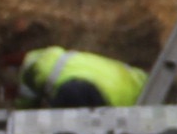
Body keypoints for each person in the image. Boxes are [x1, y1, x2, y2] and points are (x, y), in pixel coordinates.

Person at [14, 44, 148, 108]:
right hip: (137, 88)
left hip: (115, 102)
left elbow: (27, 104)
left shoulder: (43, 70)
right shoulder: (68, 60)